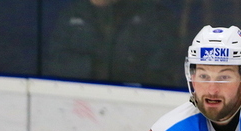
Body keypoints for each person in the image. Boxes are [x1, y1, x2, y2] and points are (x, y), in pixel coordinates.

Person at [44, 0, 183, 87]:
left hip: (136, 102)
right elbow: (54, 63)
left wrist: (120, 72)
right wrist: (94, 67)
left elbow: (164, 71)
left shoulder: (154, 16)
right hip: (78, 102)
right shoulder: (72, 13)